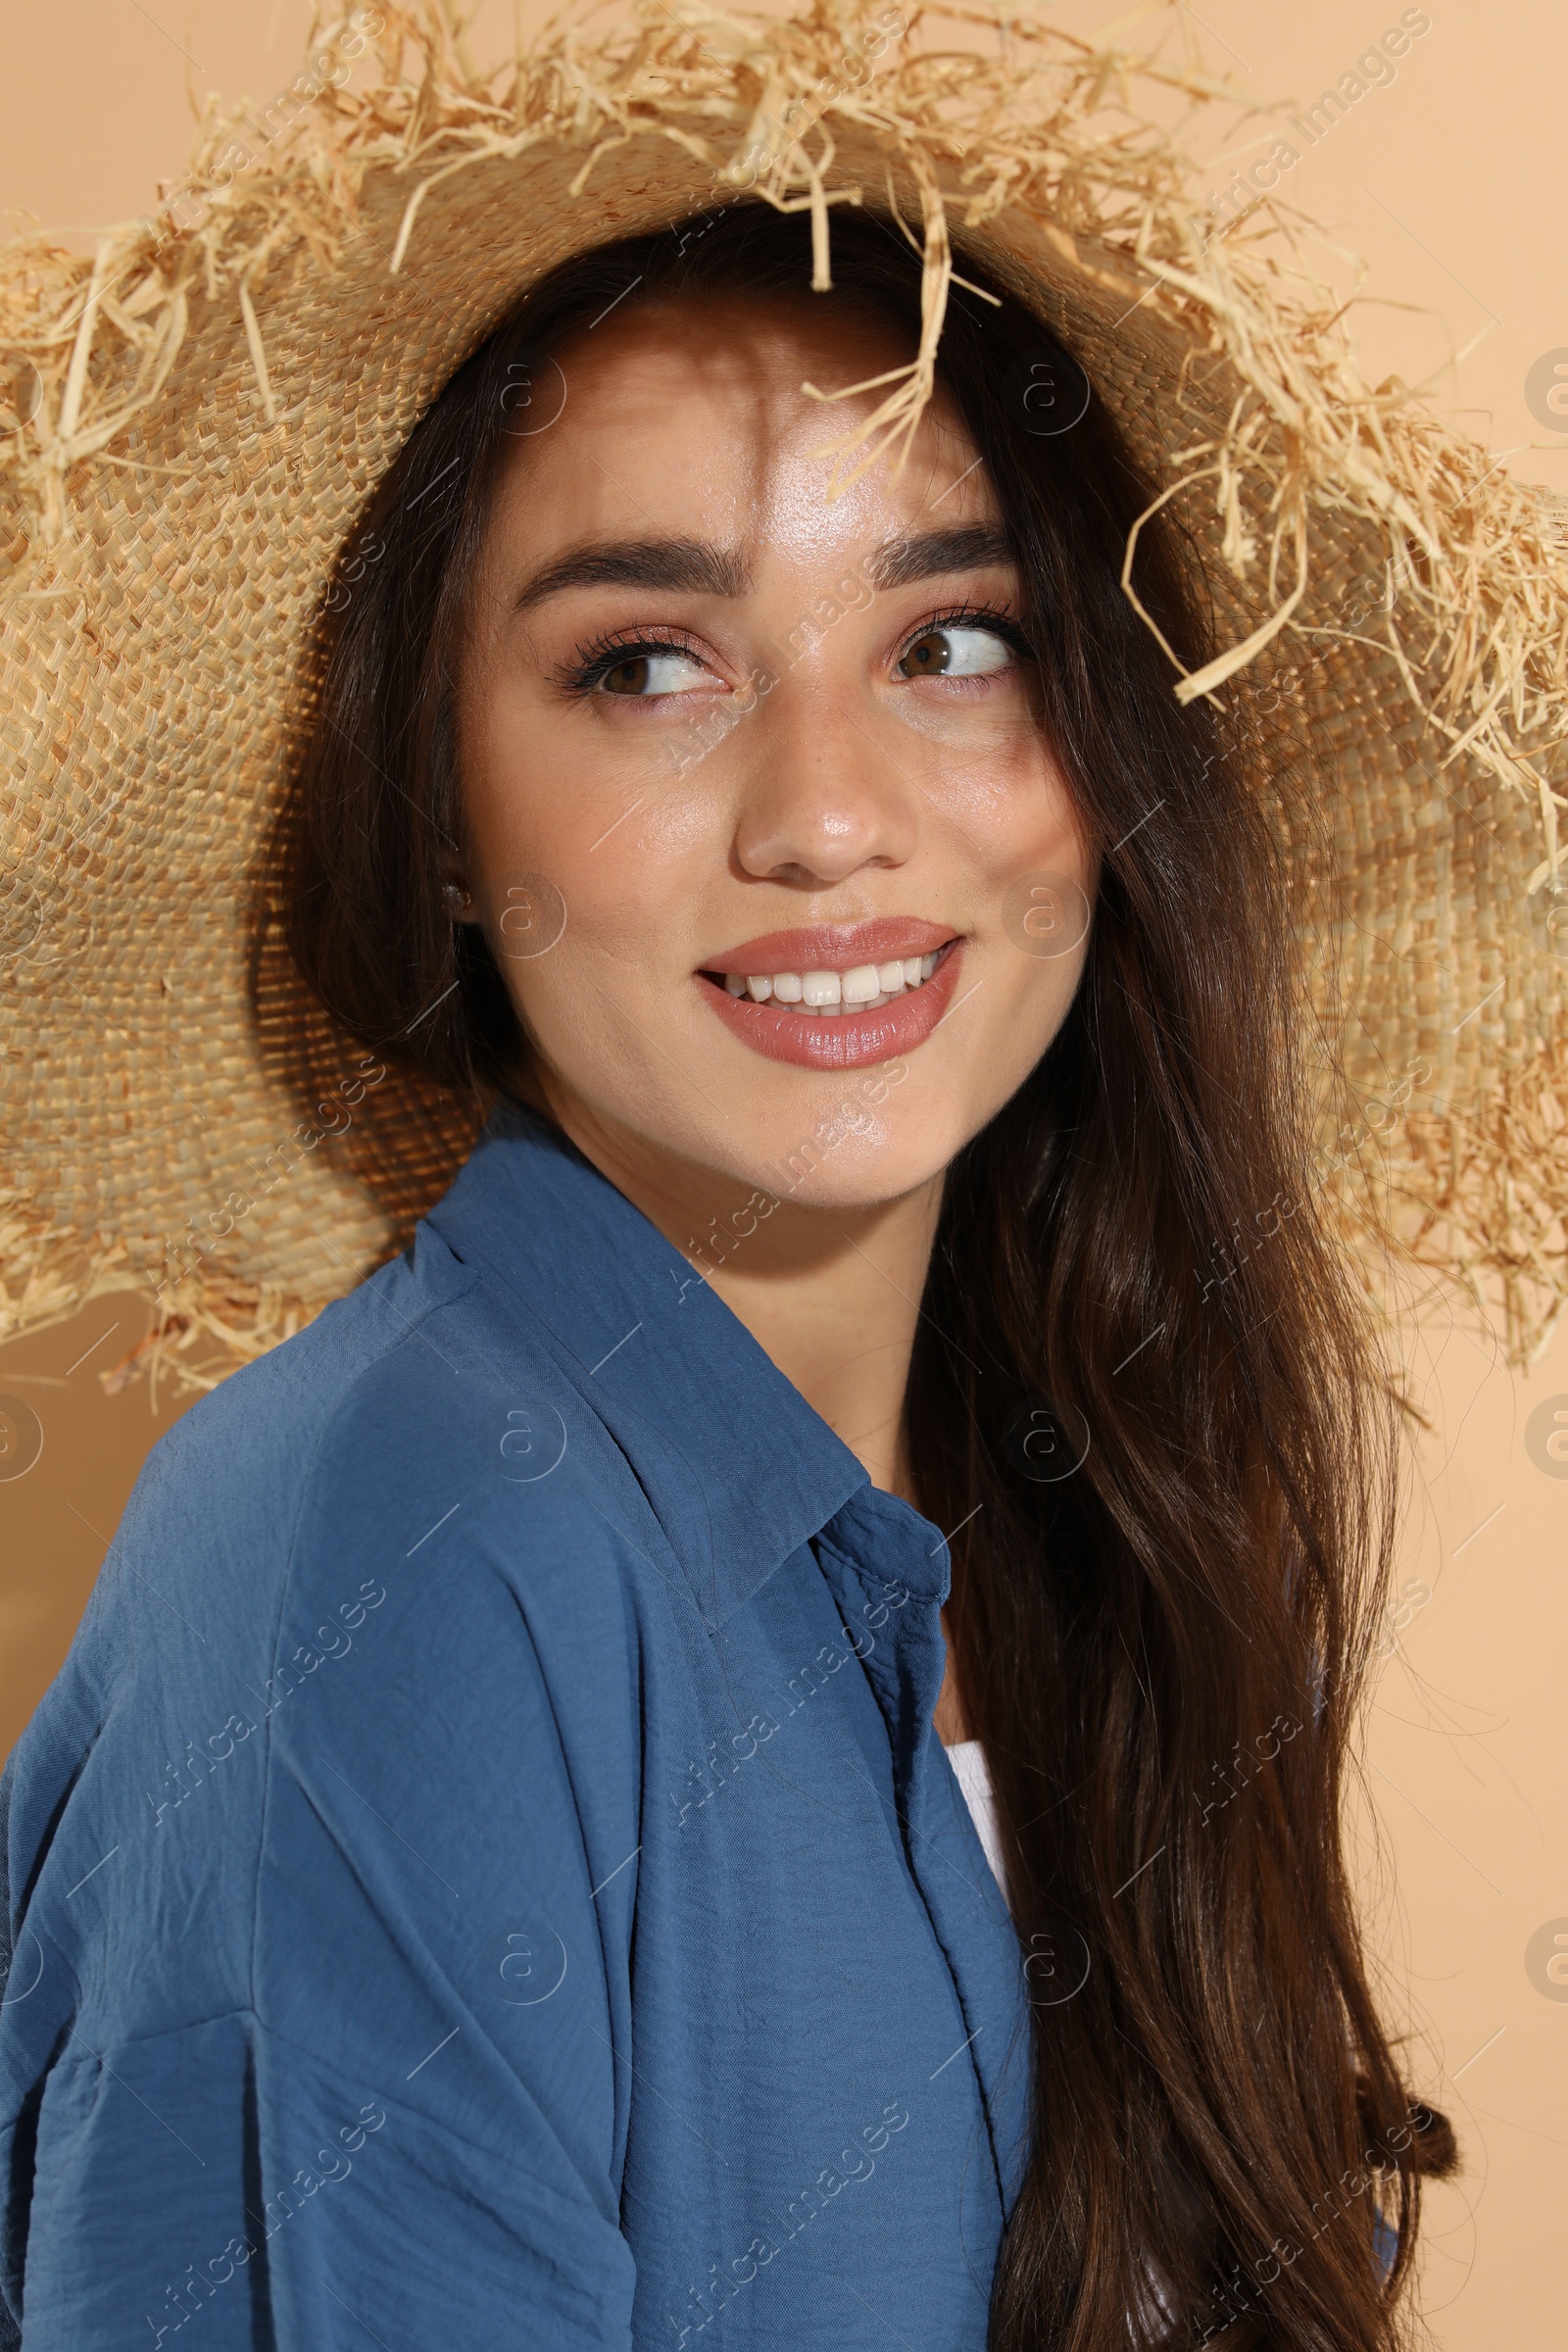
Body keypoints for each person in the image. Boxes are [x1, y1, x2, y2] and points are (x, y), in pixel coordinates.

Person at [14, 8, 1535, 2347]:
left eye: (947, 642)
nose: (825, 816)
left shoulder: (1068, 1516)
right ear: (433, 815)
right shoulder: (405, 1549)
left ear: (1100, 769)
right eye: (646, 665)